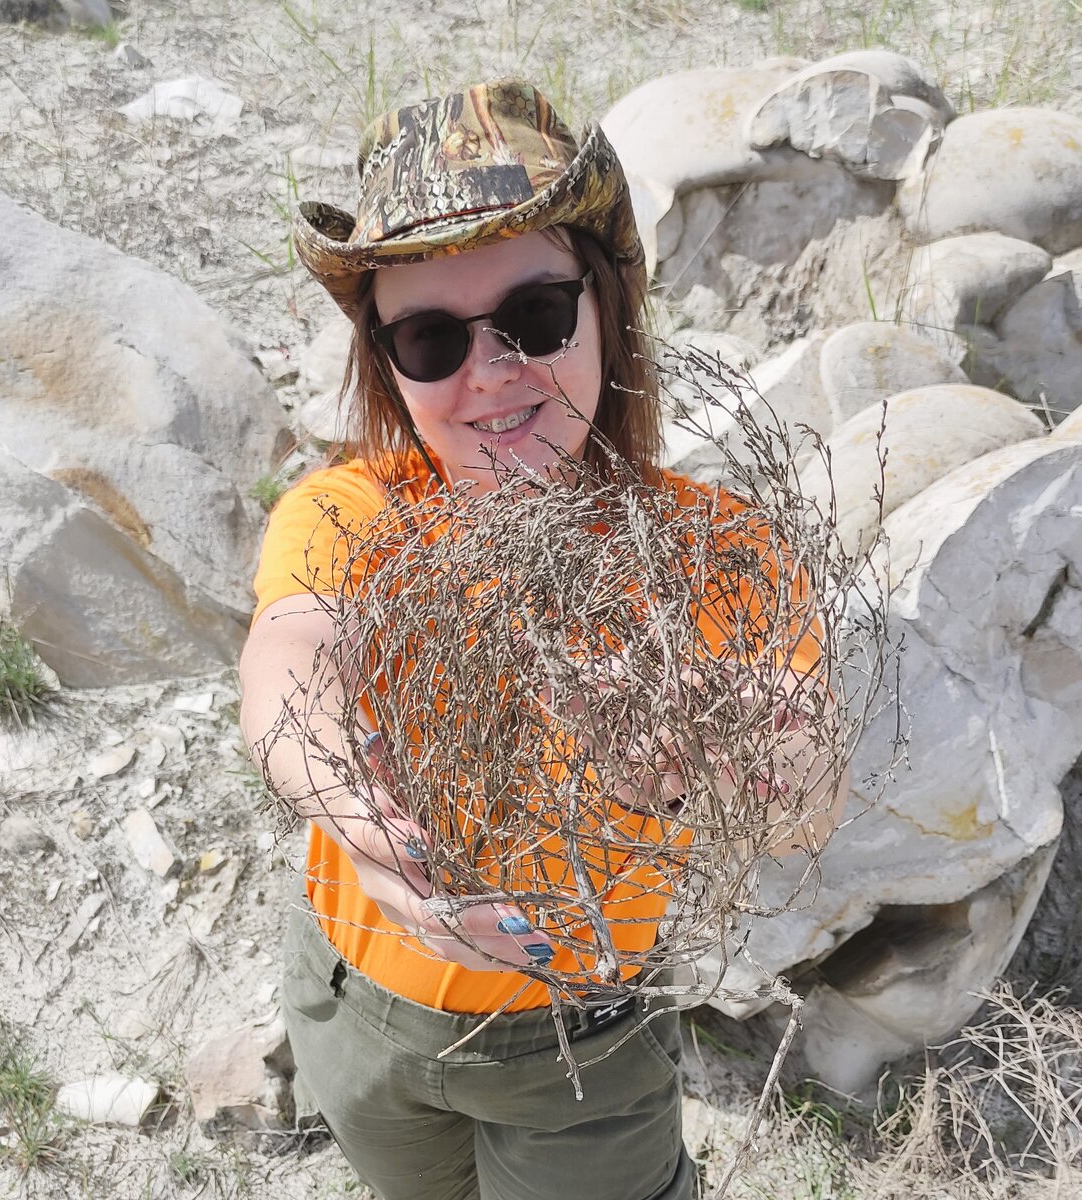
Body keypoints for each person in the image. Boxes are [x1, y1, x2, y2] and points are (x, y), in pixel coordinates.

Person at [240, 78, 840, 1200]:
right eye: (429, 338)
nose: (494, 372)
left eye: (535, 318)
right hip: (353, 1006)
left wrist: (758, 755)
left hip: (584, 1048)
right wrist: (348, 801)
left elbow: (807, 807)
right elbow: (293, 652)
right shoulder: (351, 514)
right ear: (386, 364)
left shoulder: (721, 553)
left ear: (607, 306)